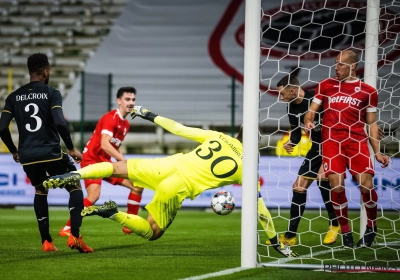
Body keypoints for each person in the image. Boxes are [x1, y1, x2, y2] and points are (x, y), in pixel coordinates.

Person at [44, 106, 299, 258]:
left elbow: (177, 128)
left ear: (237, 135)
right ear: (255, 144)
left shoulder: (218, 136)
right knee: (152, 232)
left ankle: (75, 174)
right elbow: (261, 210)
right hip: (177, 188)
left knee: (116, 167)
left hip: (166, 165)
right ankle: (114, 214)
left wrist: (148, 114)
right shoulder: (247, 168)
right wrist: (275, 241)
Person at [0, 53, 93, 253]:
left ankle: (47, 242)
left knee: (40, 190)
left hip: (27, 156)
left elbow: (1, 128)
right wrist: (70, 148)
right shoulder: (52, 93)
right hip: (51, 152)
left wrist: (14, 150)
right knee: (75, 185)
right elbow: (60, 122)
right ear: (46, 71)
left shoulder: (13, 97)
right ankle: (75, 236)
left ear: (29, 71)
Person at [304, 49, 389, 248]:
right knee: (337, 185)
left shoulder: (368, 91)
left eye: (340, 64)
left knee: (366, 186)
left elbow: (371, 123)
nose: (336, 67)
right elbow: (311, 111)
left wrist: (377, 151)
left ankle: (371, 227)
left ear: (352, 66)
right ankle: (345, 231)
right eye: (335, 63)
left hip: (357, 142)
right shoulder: (326, 85)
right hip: (332, 142)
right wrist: (309, 122)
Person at [59, 87, 144, 237]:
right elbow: (105, 144)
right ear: (119, 101)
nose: (131, 103)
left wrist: (123, 162)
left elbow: (115, 147)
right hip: (92, 160)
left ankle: (130, 224)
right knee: (94, 196)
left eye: (133, 100)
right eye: (127, 99)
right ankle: (67, 228)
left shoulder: (126, 124)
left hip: (106, 162)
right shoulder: (110, 118)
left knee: (137, 185)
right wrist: (123, 161)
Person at [276, 75, 339, 245]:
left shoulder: (317, 98)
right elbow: (296, 133)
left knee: (322, 179)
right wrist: (292, 143)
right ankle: (290, 236)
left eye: (282, 94)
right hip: (317, 147)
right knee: (298, 187)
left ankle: (334, 224)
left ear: (292, 90)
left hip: (333, 144)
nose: (280, 98)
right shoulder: (291, 108)